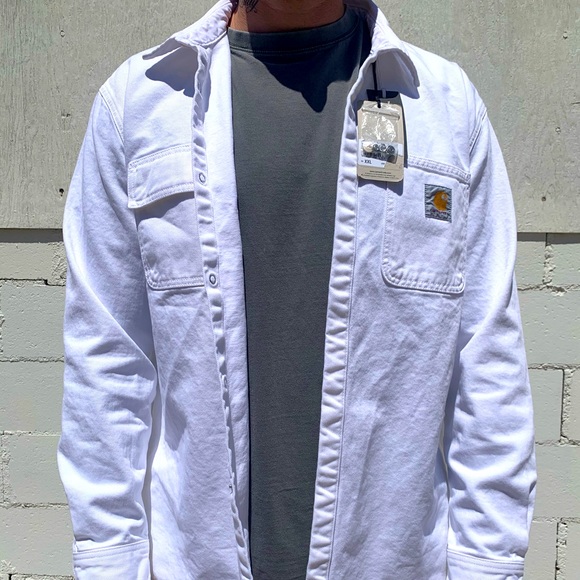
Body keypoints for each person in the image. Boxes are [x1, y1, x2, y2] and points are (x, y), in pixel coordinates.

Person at [57, 0, 537, 578]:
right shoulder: (141, 105)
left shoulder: (445, 108)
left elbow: (488, 366)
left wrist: (490, 564)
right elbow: (107, 365)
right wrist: (109, 562)